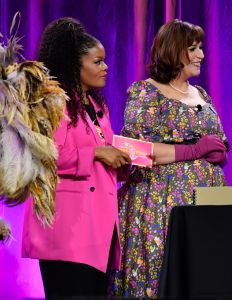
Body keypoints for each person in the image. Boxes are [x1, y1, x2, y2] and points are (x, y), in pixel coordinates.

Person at [111, 19, 228, 298]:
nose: (201, 55)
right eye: (193, 48)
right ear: (174, 51)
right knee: (160, 275)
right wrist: (193, 150)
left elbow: (218, 139)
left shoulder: (201, 94)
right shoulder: (146, 92)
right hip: (159, 202)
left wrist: (218, 150)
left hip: (204, 200)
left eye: (201, 48)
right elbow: (133, 151)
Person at [22, 17, 131, 298]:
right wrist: (97, 153)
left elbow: (102, 159)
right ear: (74, 64)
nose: (106, 67)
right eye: (97, 62)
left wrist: (124, 164)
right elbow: (45, 155)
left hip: (98, 230)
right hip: (68, 231)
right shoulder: (51, 102)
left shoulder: (96, 106)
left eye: (104, 61)